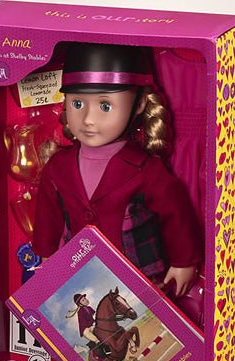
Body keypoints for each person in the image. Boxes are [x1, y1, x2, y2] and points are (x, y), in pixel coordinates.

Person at [33, 43, 203, 297]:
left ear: (139, 104)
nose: (88, 119)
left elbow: (175, 216)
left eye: (105, 106)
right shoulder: (58, 166)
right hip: (78, 276)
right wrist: (46, 256)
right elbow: (48, 217)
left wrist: (183, 262)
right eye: (77, 104)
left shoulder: (146, 171)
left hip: (136, 280)